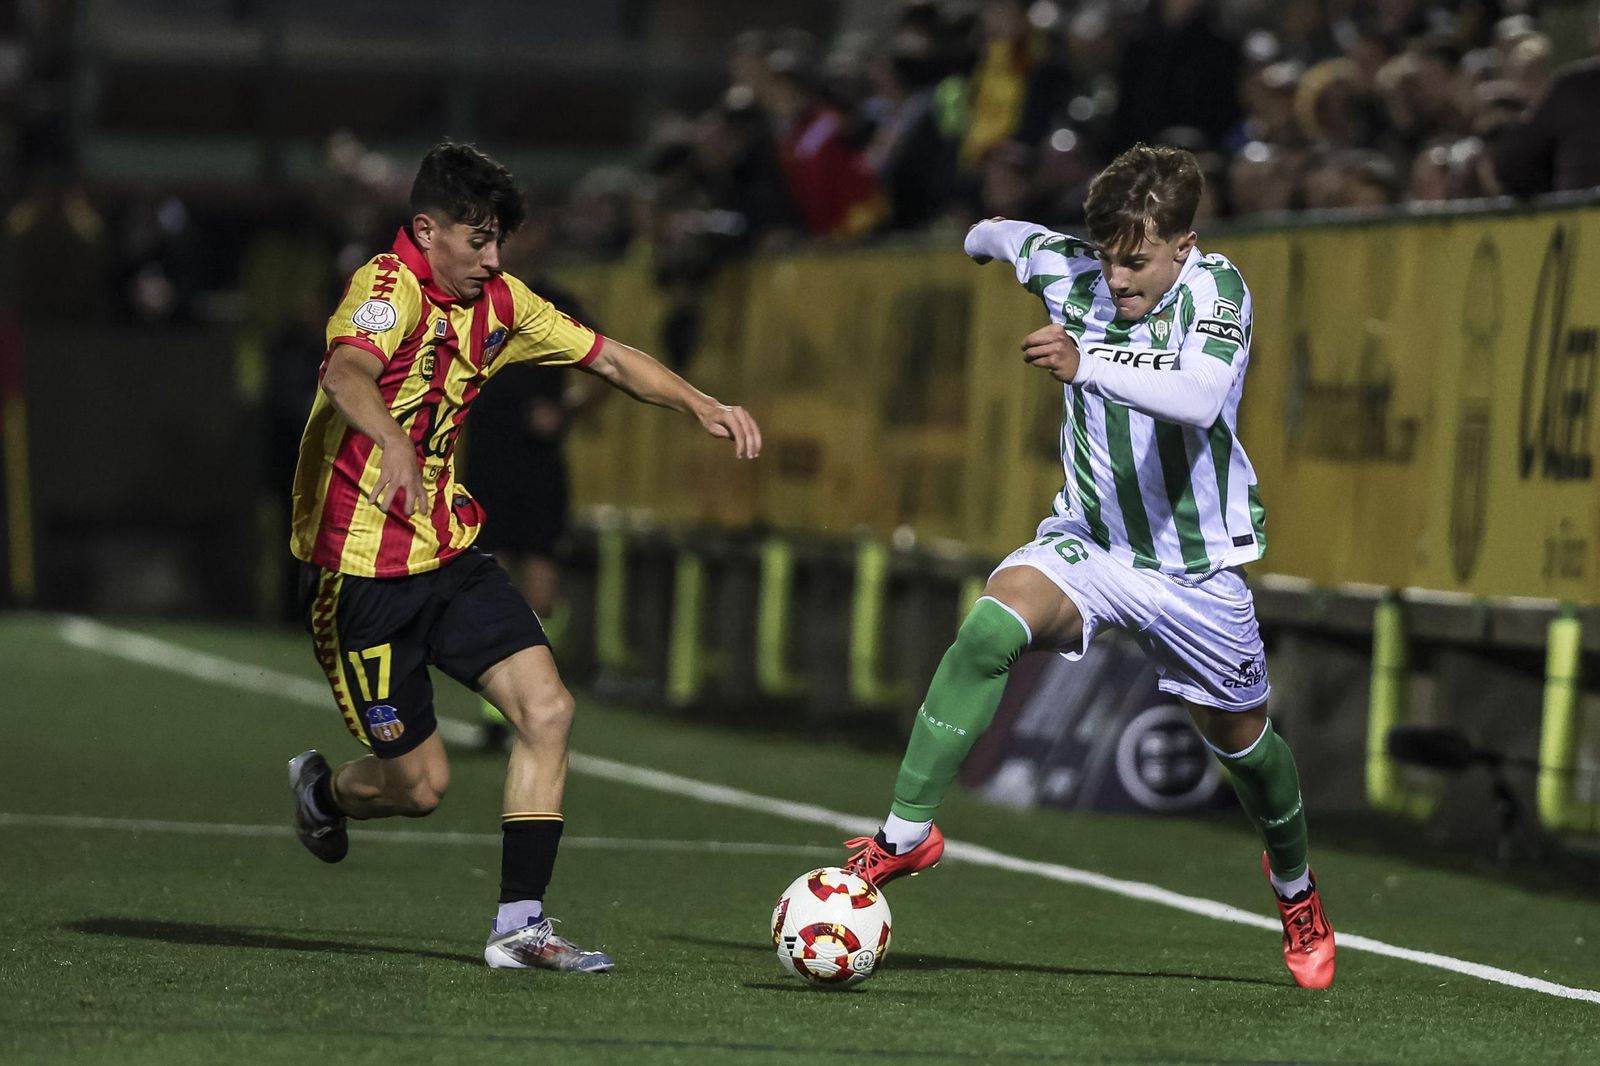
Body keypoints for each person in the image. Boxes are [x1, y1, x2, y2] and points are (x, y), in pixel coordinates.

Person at [842, 144, 1335, 990]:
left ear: (1183, 245)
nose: (1115, 277)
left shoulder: (1217, 292)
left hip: (1194, 571)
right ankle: (904, 836)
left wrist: (1088, 362)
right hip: (1094, 545)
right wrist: (982, 240)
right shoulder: (1070, 268)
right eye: (1107, 256)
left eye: (1136, 261)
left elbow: (1199, 397)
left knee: (1246, 745)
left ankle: (1295, 890)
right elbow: (1000, 235)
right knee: (990, 626)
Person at [285, 142, 762, 973]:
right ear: (427, 231)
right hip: (360, 574)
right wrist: (391, 439)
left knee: (548, 710)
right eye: (478, 241)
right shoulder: (386, 289)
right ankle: (323, 792)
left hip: (448, 552)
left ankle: (520, 927)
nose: (493, 258)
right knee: (420, 789)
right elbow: (347, 374)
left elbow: (609, 357)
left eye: (499, 240)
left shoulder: (504, 303)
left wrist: (700, 403)